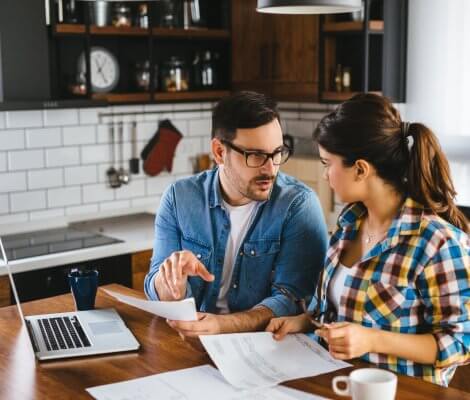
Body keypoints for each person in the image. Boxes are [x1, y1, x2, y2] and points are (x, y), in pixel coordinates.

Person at [266, 93, 470, 387]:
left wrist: (373, 340)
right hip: (335, 385)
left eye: (327, 163)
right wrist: (304, 322)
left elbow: (461, 344)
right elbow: (341, 312)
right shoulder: (347, 230)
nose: (325, 175)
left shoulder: (437, 244)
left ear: (360, 169)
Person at [144, 91, 328, 337]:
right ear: (219, 152)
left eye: (276, 153)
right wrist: (170, 286)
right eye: (256, 156)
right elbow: (154, 285)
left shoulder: (298, 206)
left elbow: (294, 300)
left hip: (268, 346)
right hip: (195, 340)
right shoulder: (180, 198)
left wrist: (221, 326)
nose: (270, 168)